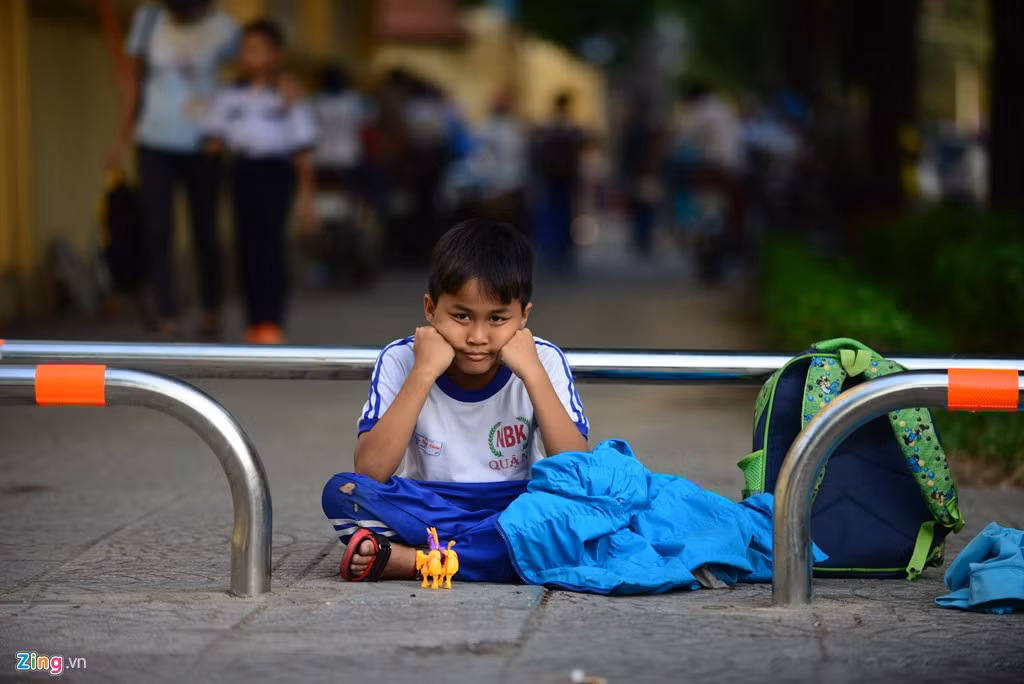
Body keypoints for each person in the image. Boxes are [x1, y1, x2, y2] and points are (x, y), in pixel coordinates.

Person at [321, 219, 590, 582]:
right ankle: (503, 552)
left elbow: (576, 472)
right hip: (429, 503)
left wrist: (534, 375)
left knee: (576, 511)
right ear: (431, 310)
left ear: (523, 317)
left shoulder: (544, 360)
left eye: (497, 319)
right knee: (344, 493)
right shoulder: (401, 359)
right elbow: (371, 470)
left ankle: (418, 561)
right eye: (461, 316)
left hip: (516, 502)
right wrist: (423, 372)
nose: (477, 336)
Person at [106, 0, 240, 340]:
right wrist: (121, 139)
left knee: (205, 230)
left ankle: (211, 308)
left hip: (204, 143)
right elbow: (134, 83)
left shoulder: (225, 28)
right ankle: (167, 312)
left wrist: (225, 131)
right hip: (154, 140)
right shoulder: (148, 19)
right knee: (158, 228)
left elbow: (241, 83)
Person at [201, 19, 317, 344]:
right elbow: (213, 137)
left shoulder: (287, 96)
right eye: (246, 49)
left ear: (276, 54)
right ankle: (253, 320)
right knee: (246, 245)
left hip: (275, 172)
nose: (251, 56)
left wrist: (307, 197)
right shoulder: (229, 95)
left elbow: (303, 148)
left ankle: (271, 320)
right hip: (242, 171)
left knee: (271, 244)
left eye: (259, 49)